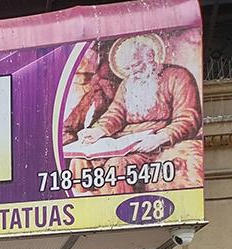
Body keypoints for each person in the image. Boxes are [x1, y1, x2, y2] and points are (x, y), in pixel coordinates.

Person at [69, 33, 202, 194]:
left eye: (137, 65)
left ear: (151, 57)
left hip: (154, 143)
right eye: (128, 68)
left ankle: (116, 213)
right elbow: (116, 113)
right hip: (124, 141)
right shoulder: (128, 83)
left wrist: (160, 138)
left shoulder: (178, 76)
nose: (133, 72)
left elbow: (188, 118)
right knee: (79, 162)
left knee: (116, 165)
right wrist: (97, 131)